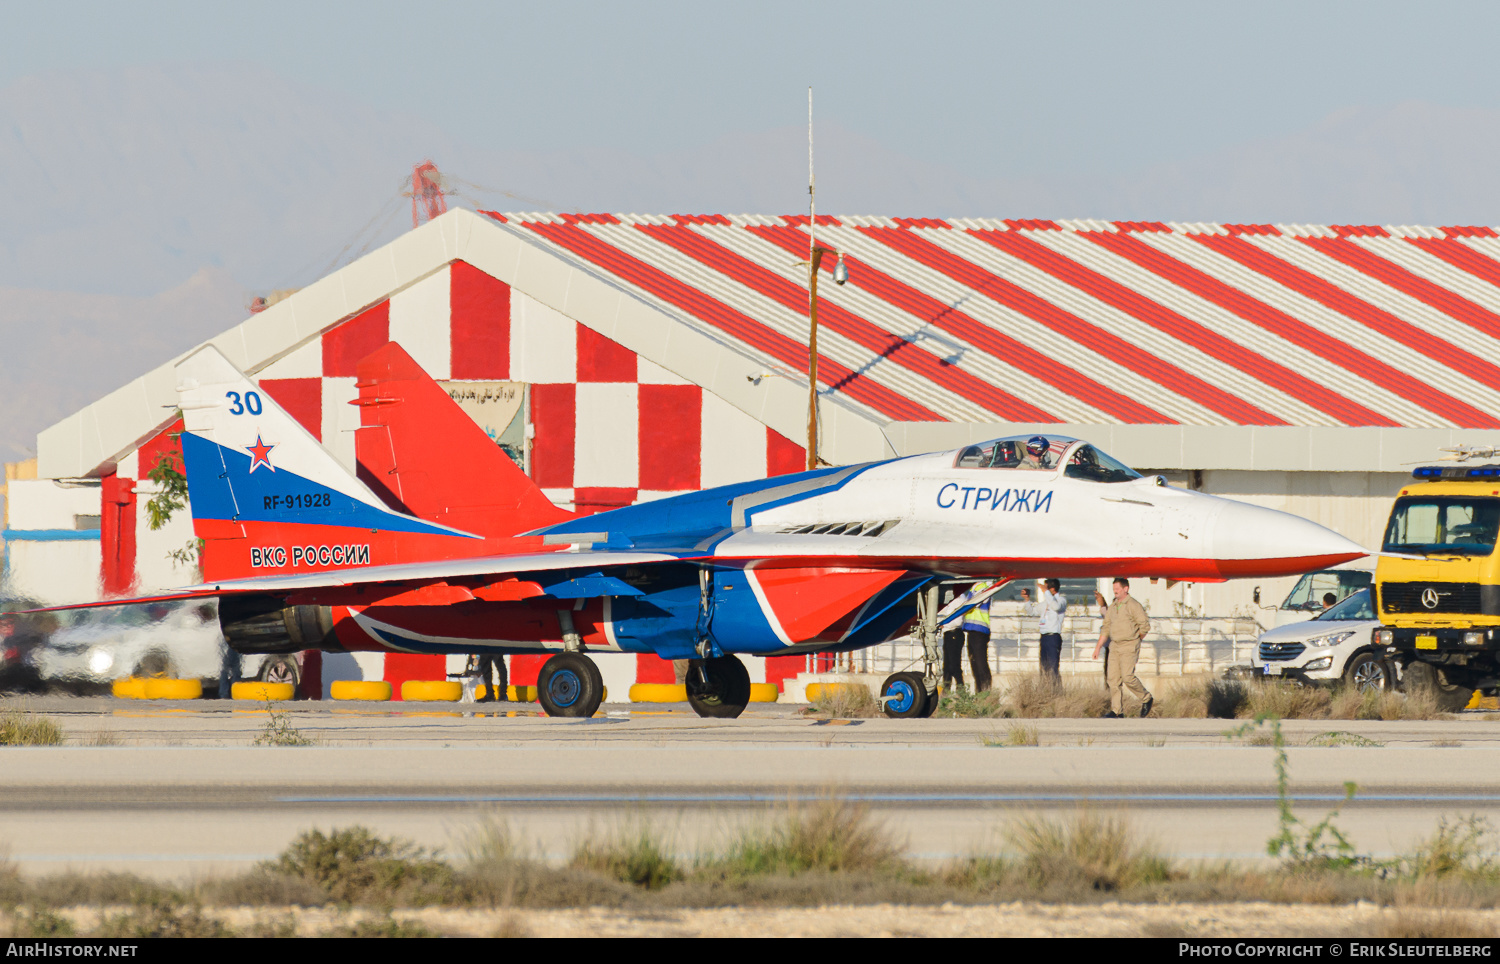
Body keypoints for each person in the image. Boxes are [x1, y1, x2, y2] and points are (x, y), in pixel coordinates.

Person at [1093, 577, 1152, 718]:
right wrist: (1098, 647)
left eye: (1118, 589)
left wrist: (1136, 639)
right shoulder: (1113, 606)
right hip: (1115, 645)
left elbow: (1145, 625)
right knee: (1113, 679)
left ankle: (1146, 698)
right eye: (1114, 590)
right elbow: (1106, 627)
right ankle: (1117, 711)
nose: (1115, 592)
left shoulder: (1133, 605)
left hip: (1129, 645)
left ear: (1126, 589)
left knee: (1128, 677)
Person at [941, 581, 996, 692]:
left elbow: (975, 603)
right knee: (974, 665)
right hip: (971, 630)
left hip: (979, 629)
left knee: (980, 665)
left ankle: (985, 692)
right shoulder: (974, 588)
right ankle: (979, 692)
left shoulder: (984, 586)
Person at [1038, 578, 1066, 681]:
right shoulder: (1046, 602)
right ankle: (1045, 691)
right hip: (1044, 637)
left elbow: (1056, 606)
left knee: (1053, 667)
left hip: (1053, 637)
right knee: (1044, 667)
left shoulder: (1061, 600)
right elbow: (1032, 611)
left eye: (1046, 588)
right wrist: (1027, 600)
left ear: (1052, 589)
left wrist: (1046, 592)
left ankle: (1056, 691)